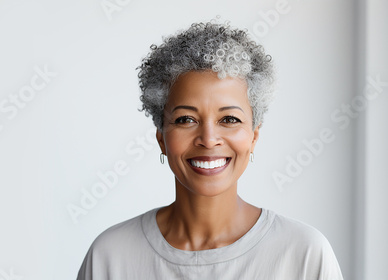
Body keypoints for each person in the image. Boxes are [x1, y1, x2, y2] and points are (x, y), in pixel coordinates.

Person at [77, 19, 344, 280]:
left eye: (229, 119)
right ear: (161, 138)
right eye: (186, 119)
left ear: (253, 137)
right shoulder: (110, 256)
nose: (208, 138)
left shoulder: (304, 254)